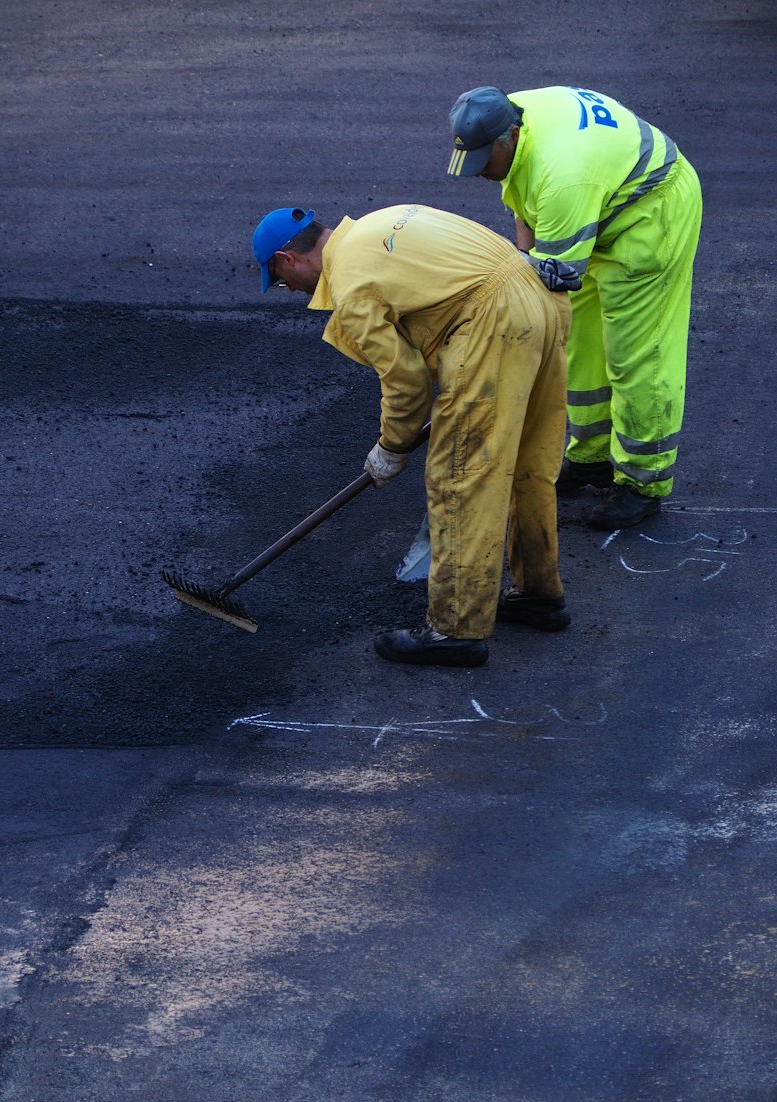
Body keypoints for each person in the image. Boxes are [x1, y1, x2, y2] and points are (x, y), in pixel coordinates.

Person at [251, 203, 572, 668]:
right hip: (540, 304)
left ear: (286, 259)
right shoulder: (382, 221)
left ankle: (455, 629)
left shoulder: (350, 282)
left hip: (491, 324)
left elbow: (407, 382)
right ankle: (539, 595)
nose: (293, 291)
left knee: (461, 475)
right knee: (528, 464)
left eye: (282, 281)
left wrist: (391, 447)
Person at [445, 85, 702, 530]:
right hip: (598, 206)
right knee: (580, 344)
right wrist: (518, 272)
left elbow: (556, 281)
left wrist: (514, 332)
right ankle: (592, 458)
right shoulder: (507, 116)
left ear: (511, 136)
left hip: (650, 213)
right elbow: (526, 208)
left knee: (636, 353)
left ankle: (643, 482)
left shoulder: (562, 173)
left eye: (485, 160)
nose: (481, 171)